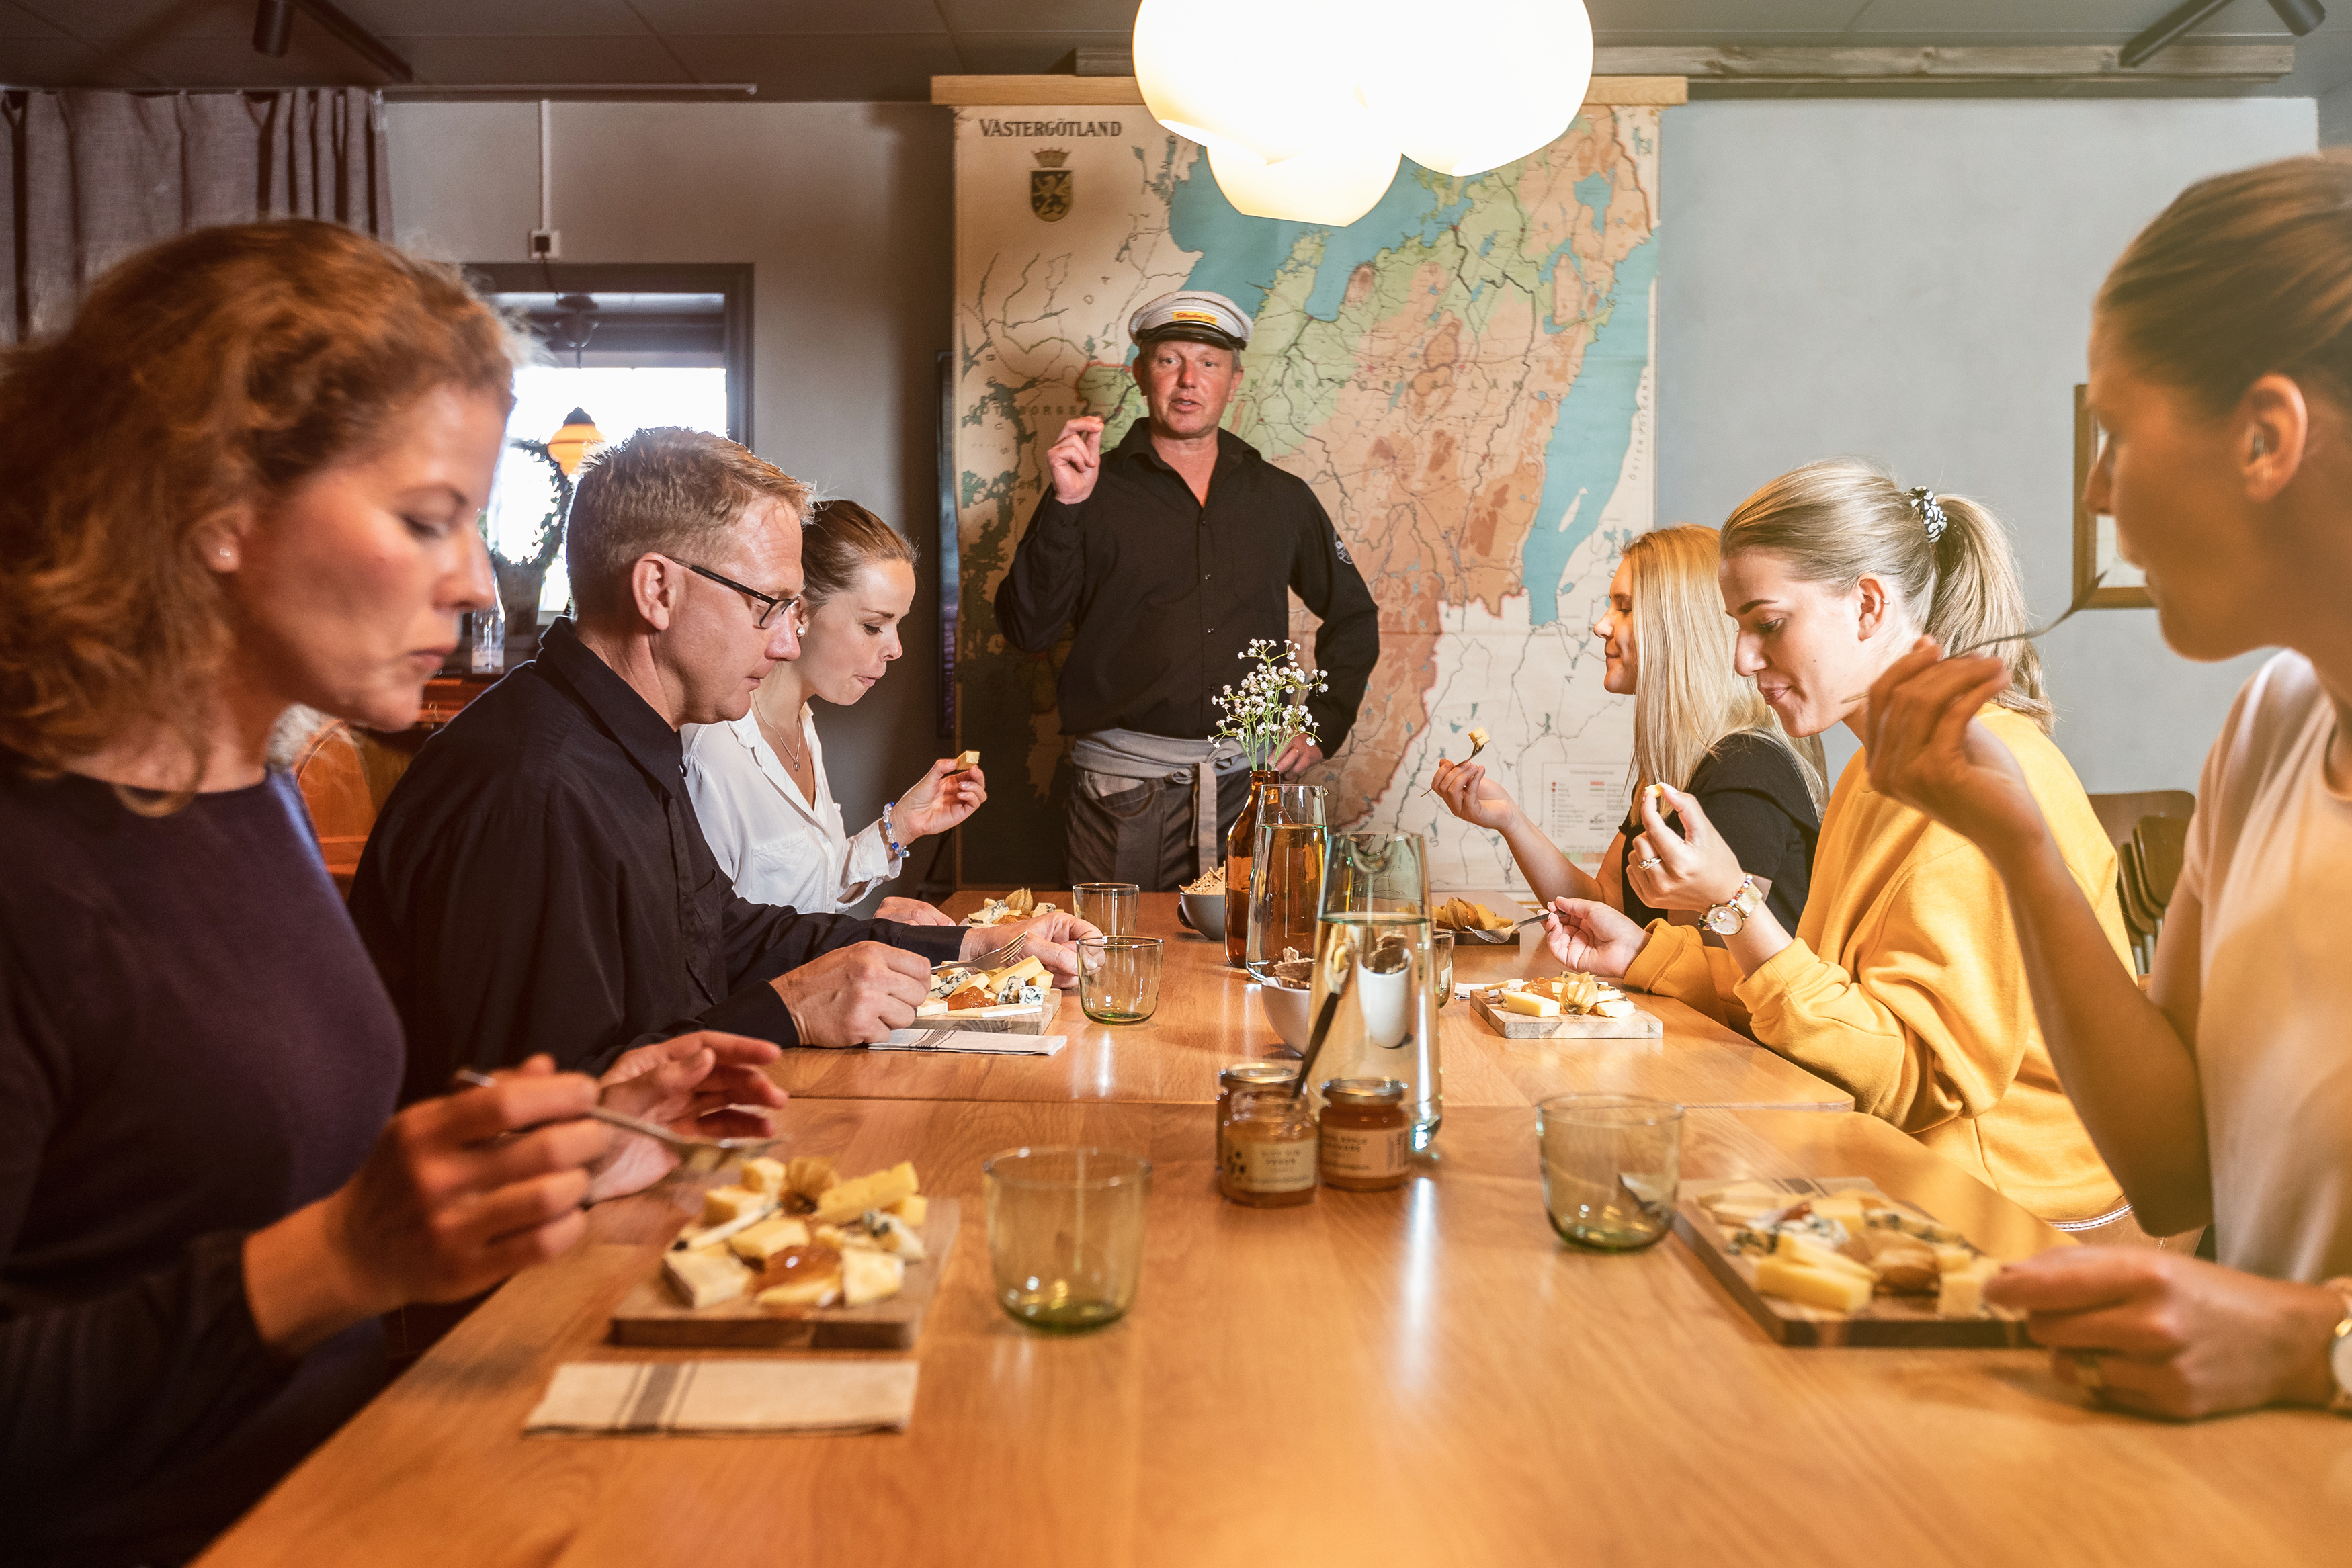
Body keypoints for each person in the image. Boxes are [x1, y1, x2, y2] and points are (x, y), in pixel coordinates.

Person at [0, 221, 780, 1565]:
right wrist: (337, 1262)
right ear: (217, 505)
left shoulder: (247, 803)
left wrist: (569, 1132)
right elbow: (277, 1263)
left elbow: (214, 1179)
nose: (477, 581)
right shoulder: (34, 865)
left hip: (367, 1487)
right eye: (426, 519)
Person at [1865, 155, 2352, 1420]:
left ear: (2266, 437)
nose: (2094, 488)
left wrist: (2313, 1345)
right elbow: (2174, 1160)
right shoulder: (2270, 729)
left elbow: (2291, 1327)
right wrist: (2015, 839)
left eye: (2117, 436)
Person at [352, 427, 1094, 1101]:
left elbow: (728, 934)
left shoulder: (627, 736)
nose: (782, 644)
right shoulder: (534, 788)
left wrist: (970, 945)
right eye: (768, 605)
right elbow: (532, 1106)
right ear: (657, 589)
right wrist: (790, 1010)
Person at [1544, 460, 2130, 1228]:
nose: (1741, 661)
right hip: (1894, 1155)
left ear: (1866, 605)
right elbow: (1829, 988)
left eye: (1767, 623)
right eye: (1738, 628)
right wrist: (1644, 956)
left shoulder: (1977, 778)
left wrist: (1728, 902)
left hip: (2005, 1208)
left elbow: (1915, 1083)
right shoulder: (1874, 768)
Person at [994, 288, 1380, 889]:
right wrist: (1067, 506)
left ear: (1234, 380)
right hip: (1121, 790)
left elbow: (1354, 615)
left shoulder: (1281, 498)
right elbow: (1029, 629)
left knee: (1252, 961)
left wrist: (1324, 722)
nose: (1188, 381)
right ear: (1141, 372)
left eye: (1208, 363)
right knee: (1108, 958)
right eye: (1170, 360)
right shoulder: (1087, 488)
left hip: (1248, 789)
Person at [1433, 523, 1820, 930]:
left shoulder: (1742, 775)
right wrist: (1509, 820)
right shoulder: (1676, 770)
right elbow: (1606, 906)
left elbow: (1708, 976)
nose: (1602, 626)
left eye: (1625, 607)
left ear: (1679, 627)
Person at [685, 498, 980, 922]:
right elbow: (714, 946)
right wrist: (866, 944)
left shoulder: (802, 724)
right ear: (800, 611)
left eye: (899, 626)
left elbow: (813, 892)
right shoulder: (711, 749)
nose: (896, 650)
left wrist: (902, 826)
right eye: (873, 626)